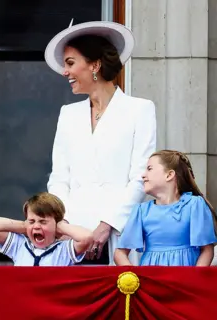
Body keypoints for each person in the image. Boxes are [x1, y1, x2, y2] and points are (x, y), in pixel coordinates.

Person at [44, 21, 157, 265]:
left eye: (71, 63)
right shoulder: (68, 113)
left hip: (119, 235)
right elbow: (59, 178)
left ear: (95, 65)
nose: (65, 72)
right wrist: (63, 224)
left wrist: (108, 224)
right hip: (71, 239)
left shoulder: (140, 110)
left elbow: (140, 177)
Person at [114, 150, 217, 266]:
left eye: (149, 168)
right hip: (151, 280)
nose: (143, 175)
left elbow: (207, 250)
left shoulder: (194, 205)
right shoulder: (141, 211)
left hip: (184, 280)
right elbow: (120, 253)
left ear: (169, 175)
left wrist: (194, 280)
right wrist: (134, 279)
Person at [0, 192, 92, 266]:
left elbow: (87, 237)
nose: (36, 226)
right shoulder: (19, 245)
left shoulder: (63, 250)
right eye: (32, 221)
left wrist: (61, 226)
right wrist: (23, 226)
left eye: (43, 222)